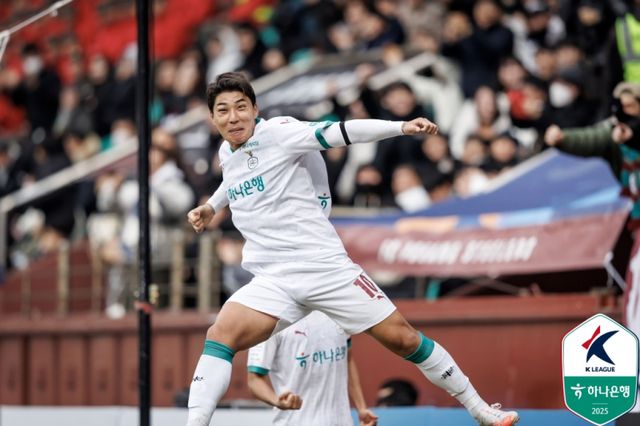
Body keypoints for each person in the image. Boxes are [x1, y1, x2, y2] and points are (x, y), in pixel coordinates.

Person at [186, 72, 519, 426]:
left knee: (404, 339)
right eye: (223, 110)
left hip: (323, 267)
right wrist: (211, 206)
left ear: (255, 109)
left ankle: (480, 409)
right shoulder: (227, 151)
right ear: (212, 118)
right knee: (219, 336)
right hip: (273, 278)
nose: (233, 117)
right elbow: (233, 178)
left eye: (241, 107)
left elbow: (340, 132)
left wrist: (400, 127)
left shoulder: (280, 132)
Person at [246, 310, 377, 425]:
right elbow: (254, 381)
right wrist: (277, 401)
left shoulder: (337, 309)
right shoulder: (270, 319)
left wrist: (361, 408)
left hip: (343, 421)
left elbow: (347, 359)